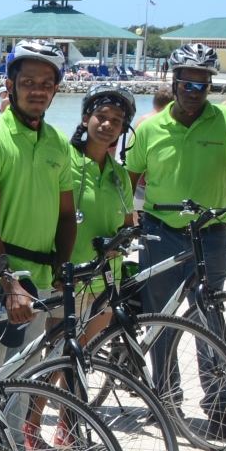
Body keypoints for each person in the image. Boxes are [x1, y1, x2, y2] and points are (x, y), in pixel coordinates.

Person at [0, 41, 76, 374]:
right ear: (10, 85)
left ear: (57, 90)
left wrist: (63, 268)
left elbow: (66, 214)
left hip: (41, 280)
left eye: (46, 84)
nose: (38, 91)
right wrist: (10, 283)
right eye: (28, 82)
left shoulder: (58, 142)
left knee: (25, 379)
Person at [127, 41, 226, 311]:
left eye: (202, 86)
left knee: (209, 318)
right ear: (174, 82)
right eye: (188, 84)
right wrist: (125, 222)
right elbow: (128, 181)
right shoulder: (149, 128)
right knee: (159, 320)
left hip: (211, 234)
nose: (194, 92)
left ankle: (212, 356)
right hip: (159, 235)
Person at [67, 86, 138, 335]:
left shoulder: (120, 175)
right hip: (68, 277)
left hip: (108, 278)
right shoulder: (63, 161)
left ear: (122, 130)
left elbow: (128, 223)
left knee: (86, 354)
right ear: (86, 119)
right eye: (102, 116)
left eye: (117, 121)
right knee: (56, 355)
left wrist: (124, 239)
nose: (108, 124)